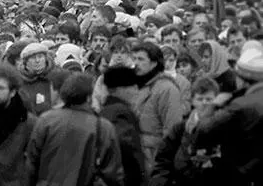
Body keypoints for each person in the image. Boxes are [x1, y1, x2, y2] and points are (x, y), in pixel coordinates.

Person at [25, 73, 124, 186]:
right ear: (89, 96)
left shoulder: (46, 120)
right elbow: (112, 172)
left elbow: (32, 163)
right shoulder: (103, 126)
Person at [192, 42, 263, 185]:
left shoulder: (240, 105)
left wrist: (214, 105)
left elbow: (202, 131)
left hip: (242, 174)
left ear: (242, 79)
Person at [133, 41, 184, 169]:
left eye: (141, 59)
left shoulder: (167, 89)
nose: (136, 63)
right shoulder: (136, 86)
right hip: (137, 157)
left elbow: (172, 129)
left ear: (154, 63)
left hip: (154, 159)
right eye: (134, 59)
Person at [99, 66, 146, 186]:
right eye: (133, 86)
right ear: (121, 89)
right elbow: (127, 149)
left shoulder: (106, 110)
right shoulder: (120, 113)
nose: (136, 90)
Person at [18, 43, 55, 116]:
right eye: (32, 58)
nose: (37, 60)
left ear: (46, 59)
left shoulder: (56, 77)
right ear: (25, 62)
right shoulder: (19, 82)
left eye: (40, 57)